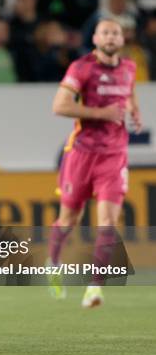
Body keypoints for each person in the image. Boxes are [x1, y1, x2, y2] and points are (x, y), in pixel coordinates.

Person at [48, 19, 140, 308]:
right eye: (106, 32)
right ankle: (53, 263)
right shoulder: (82, 68)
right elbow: (59, 106)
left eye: (116, 32)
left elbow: (128, 94)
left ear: (122, 39)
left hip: (114, 156)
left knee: (108, 222)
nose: (111, 36)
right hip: (82, 154)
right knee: (68, 220)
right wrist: (102, 113)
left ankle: (94, 287)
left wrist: (134, 111)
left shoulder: (129, 67)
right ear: (96, 38)